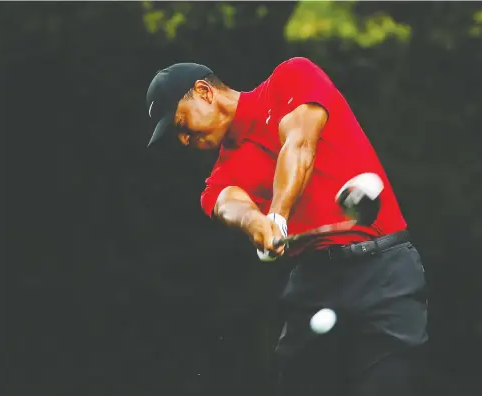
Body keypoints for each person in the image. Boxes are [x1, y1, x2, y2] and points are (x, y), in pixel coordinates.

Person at [145, 57, 428, 396]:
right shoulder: (220, 177)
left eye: (180, 124)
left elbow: (299, 144)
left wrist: (277, 214)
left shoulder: (290, 79)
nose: (183, 140)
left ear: (204, 92)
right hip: (314, 285)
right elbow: (229, 204)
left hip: (386, 273)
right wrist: (256, 225)